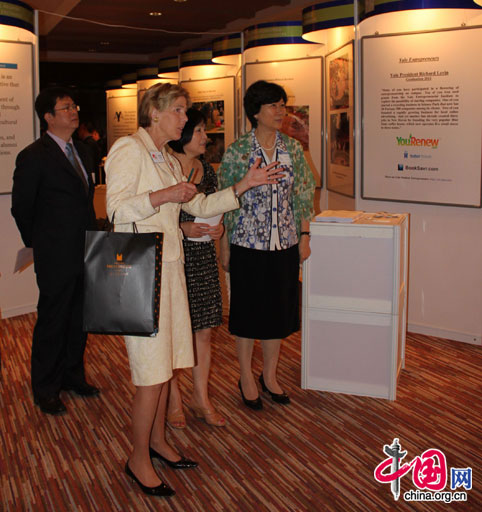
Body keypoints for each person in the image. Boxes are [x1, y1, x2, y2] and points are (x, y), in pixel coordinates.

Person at [105, 82, 282, 497]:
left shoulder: (163, 155)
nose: (186, 120)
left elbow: (199, 206)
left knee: (165, 365)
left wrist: (245, 185)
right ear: (155, 113)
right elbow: (115, 209)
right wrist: (165, 194)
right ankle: (137, 457)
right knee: (150, 373)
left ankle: (158, 441)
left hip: (168, 271)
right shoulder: (128, 150)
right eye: (180, 111)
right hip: (141, 273)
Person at [218, 80, 315, 411]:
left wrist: (304, 236)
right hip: (246, 243)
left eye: (282, 104)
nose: (281, 111)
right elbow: (227, 199)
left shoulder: (293, 149)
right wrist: (226, 244)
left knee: (277, 313)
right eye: (273, 105)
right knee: (247, 313)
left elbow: (302, 194)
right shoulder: (238, 151)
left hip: (285, 243)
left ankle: (269, 376)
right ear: (255, 112)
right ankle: (245, 375)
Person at [11, 87, 100, 416]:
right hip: (54, 254)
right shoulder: (33, 156)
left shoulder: (84, 151)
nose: (73, 112)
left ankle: (73, 375)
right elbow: (21, 208)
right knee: (53, 319)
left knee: (80, 318)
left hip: (86, 249)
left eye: (73, 106)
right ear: (48, 117)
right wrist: (41, 244)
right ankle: (46, 387)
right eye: (65, 108)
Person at [166, 109, 226, 429]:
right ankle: (173, 399)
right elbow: (155, 213)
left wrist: (218, 230)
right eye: (200, 131)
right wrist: (182, 229)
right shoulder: (166, 166)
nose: (206, 137)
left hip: (202, 257)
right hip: (174, 257)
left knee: (203, 330)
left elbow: (213, 208)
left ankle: (200, 398)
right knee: (175, 332)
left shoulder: (206, 169)